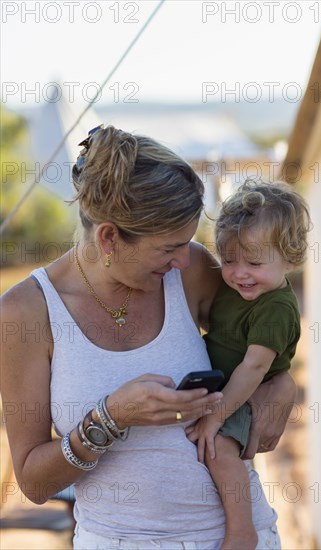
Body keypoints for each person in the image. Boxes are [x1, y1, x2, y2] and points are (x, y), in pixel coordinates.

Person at [1, 125, 296, 550]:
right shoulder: (26, 311)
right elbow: (32, 482)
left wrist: (283, 383)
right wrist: (112, 416)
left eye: (189, 242)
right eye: (168, 248)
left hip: (241, 537)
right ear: (109, 238)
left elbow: (268, 325)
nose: (184, 258)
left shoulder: (189, 269)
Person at [186, 180, 311, 550]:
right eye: (229, 261)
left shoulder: (275, 307)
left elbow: (254, 368)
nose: (239, 273)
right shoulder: (240, 287)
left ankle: (242, 532)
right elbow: (221, 326)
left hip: (242, 394)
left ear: (289, 257)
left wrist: (217, 415)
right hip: (222, 384)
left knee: (221, 452)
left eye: (255, 262)